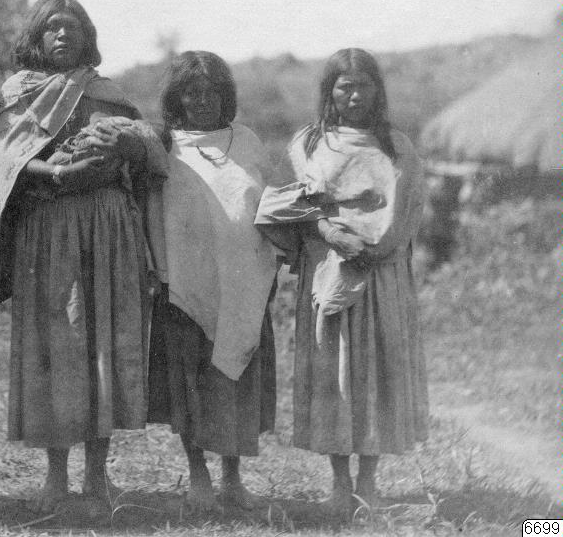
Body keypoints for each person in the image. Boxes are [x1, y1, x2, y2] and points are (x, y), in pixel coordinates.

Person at [0, 0, 166, 510]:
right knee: (59, 343)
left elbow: (151, 158)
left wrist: (128, 147)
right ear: (37, 38)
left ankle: (96, 476)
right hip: (49, 225)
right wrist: (60, 173)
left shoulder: (108, 93)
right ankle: (54, 476)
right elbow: (7, 160)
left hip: (108, 229)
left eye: (72, 27)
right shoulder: (19, 93)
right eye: (52, 27)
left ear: (87, 36)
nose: (63, 35)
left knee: (101, 343)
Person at [254, 48, 428, 512]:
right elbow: (288, 202)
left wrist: (374, 247)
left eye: (363, 85)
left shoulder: (397, 147)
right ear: (329, 91)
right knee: (333, 372)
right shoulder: (310, 143)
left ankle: (367, 483)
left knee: (374, 372)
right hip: (328, 270)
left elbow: (410, 209)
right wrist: (330, 232)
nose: (354, 96)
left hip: (381, 275)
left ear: (377, 90)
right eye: (344, 86)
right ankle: (337, 485)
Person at [146, 51, 278, 512]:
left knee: (233, 379)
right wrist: (160, 274)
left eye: (211, 92)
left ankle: (233, 479)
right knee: (191, 383)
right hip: (185, 284)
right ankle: (199, 475)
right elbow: (153, 212)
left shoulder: (247, 142)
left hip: (244, 284)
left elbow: (268, 206)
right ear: (176, 98)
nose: (202, 101)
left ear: (226, 96)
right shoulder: (164, 146)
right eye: (191, 92)